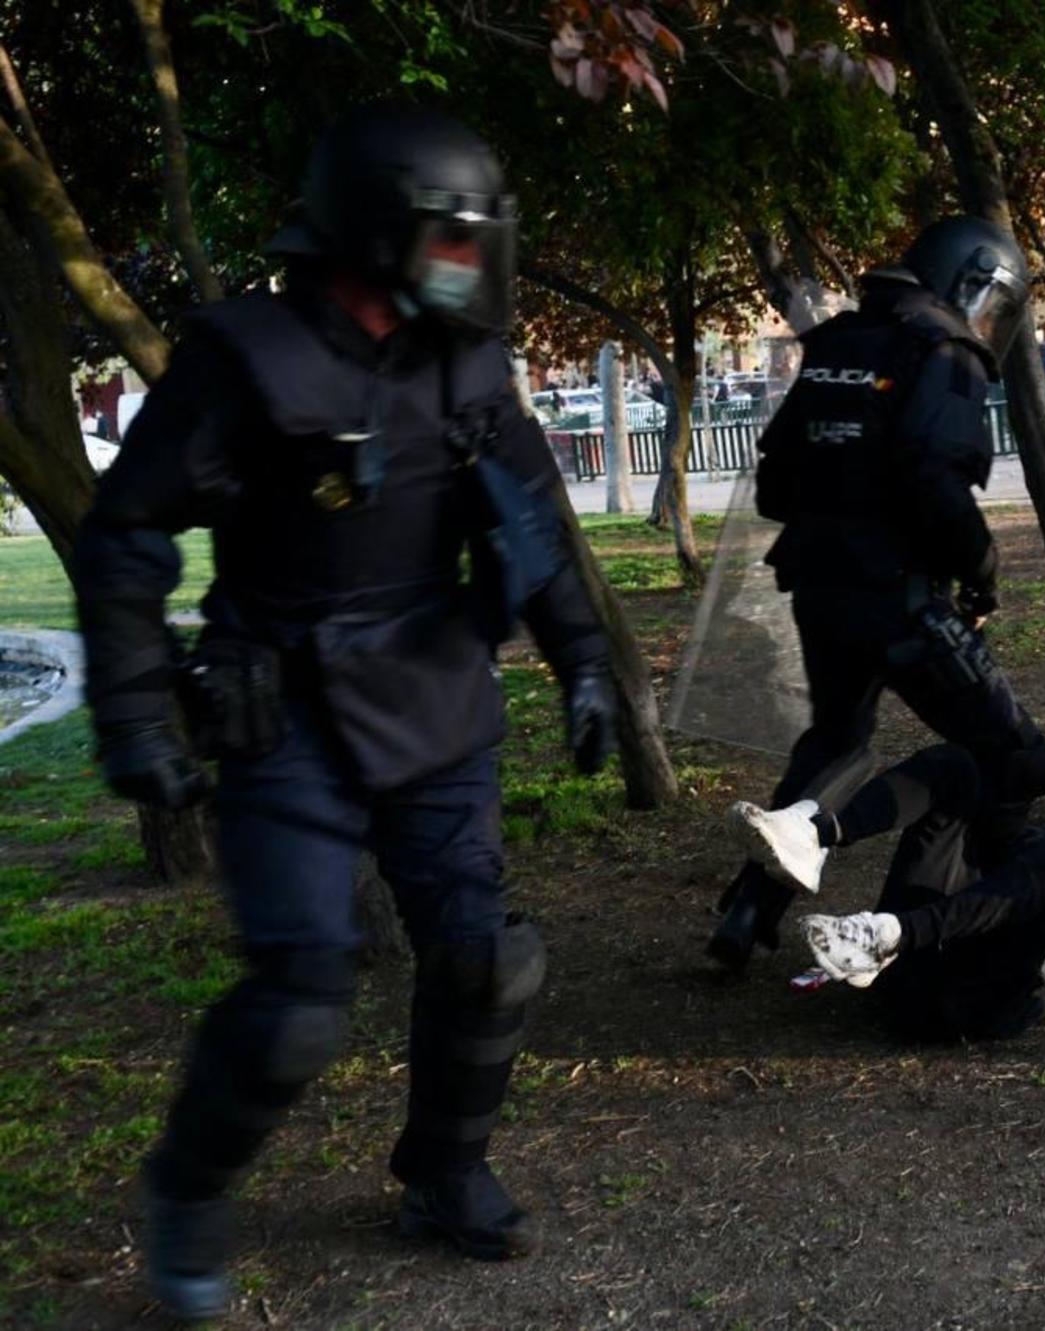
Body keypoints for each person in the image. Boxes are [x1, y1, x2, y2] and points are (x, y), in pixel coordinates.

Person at [72, 106, 616, 1320]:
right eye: (454, 240)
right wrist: (138, 715)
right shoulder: (247, 359)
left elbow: (530, 512)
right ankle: (188, 1188)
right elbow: (125, 539)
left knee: (488, 960)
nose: (474, 265)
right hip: (288, 717)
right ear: (379, 238)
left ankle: (443, 1173)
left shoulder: (463, 358)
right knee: (299, 997)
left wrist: (586, 662)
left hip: (436, 698)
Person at [705, 217, 1045, 971]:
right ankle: (965, 908)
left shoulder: (838, 344)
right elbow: (935, 483)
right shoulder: (945, 353)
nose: (989, 324)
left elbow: (774, 484)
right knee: (1017, 755)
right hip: (901, 599)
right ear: (968, 284)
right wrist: (984, 566)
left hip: (818, 588)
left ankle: (746, 910)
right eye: (992, 303)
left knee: (837, 743)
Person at [733, 743, 1045, 1038]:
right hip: (928, 956)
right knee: (957, 766)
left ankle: (888, 936)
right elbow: (1014, 849)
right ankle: (818, 835)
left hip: (984, 994)